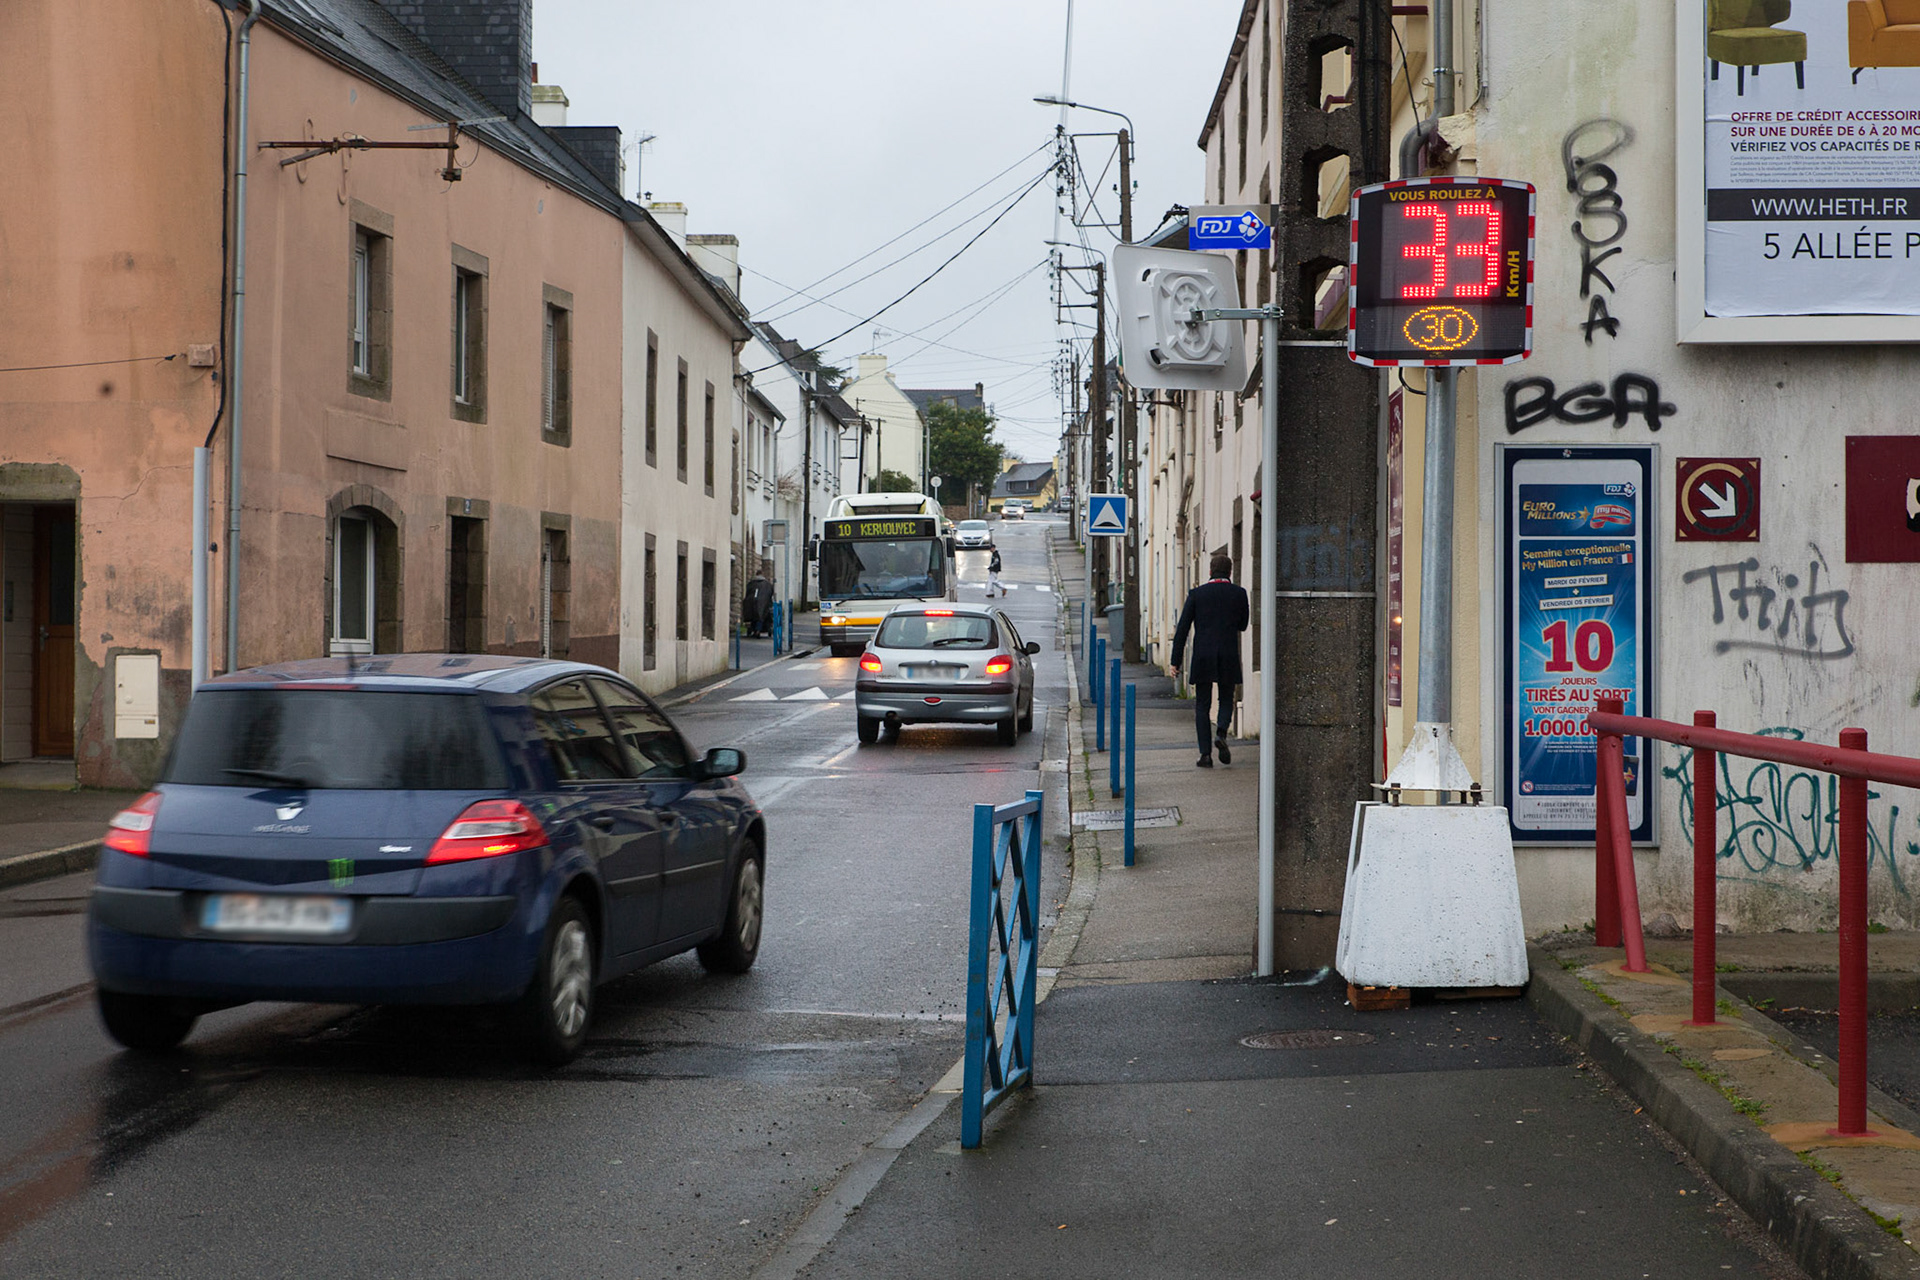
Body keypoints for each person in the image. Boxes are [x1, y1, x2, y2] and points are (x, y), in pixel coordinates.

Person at [1169, 553, 1250, 768]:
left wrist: (1175, 661)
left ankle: (1205, 754)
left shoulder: (1197, 594)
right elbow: (1243, 625)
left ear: (1210, 571)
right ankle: (1221, 732)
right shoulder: (1239, 594)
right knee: (1226, 698)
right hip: (1228, 654)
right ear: (1230, 572)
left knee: (1202, 705)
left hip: (1203, 656)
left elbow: (1183, 629)